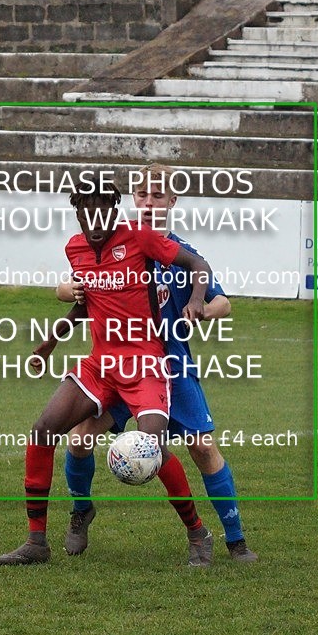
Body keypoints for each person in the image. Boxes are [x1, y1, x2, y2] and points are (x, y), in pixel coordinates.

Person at [0, 173, 215, 567]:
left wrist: (197, 299)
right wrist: (52, 339)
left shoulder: (140, 237)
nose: (95, 228)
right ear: (79, 216)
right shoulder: (75, 248)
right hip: (101, 363)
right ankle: (36, 541)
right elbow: (87, 302)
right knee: (43, 431)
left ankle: (198, 533)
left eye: (102, 216)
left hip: (145, 362)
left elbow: (198, 264)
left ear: (113, 211)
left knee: (152, 448)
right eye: (87, 218)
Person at [50, 164, 258, 563]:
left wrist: (201, 309)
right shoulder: (113, 239)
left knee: (202, 447)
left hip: (171, 368)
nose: (148, 202)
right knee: (78, 439)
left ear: (171, 201)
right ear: (133, 199)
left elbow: (223, 301)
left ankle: (235, 541)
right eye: (142, 194)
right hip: (120, 367)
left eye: (157, 195)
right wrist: (65, 289)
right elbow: (72, 286)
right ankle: (80, 512)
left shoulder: (180, 251)